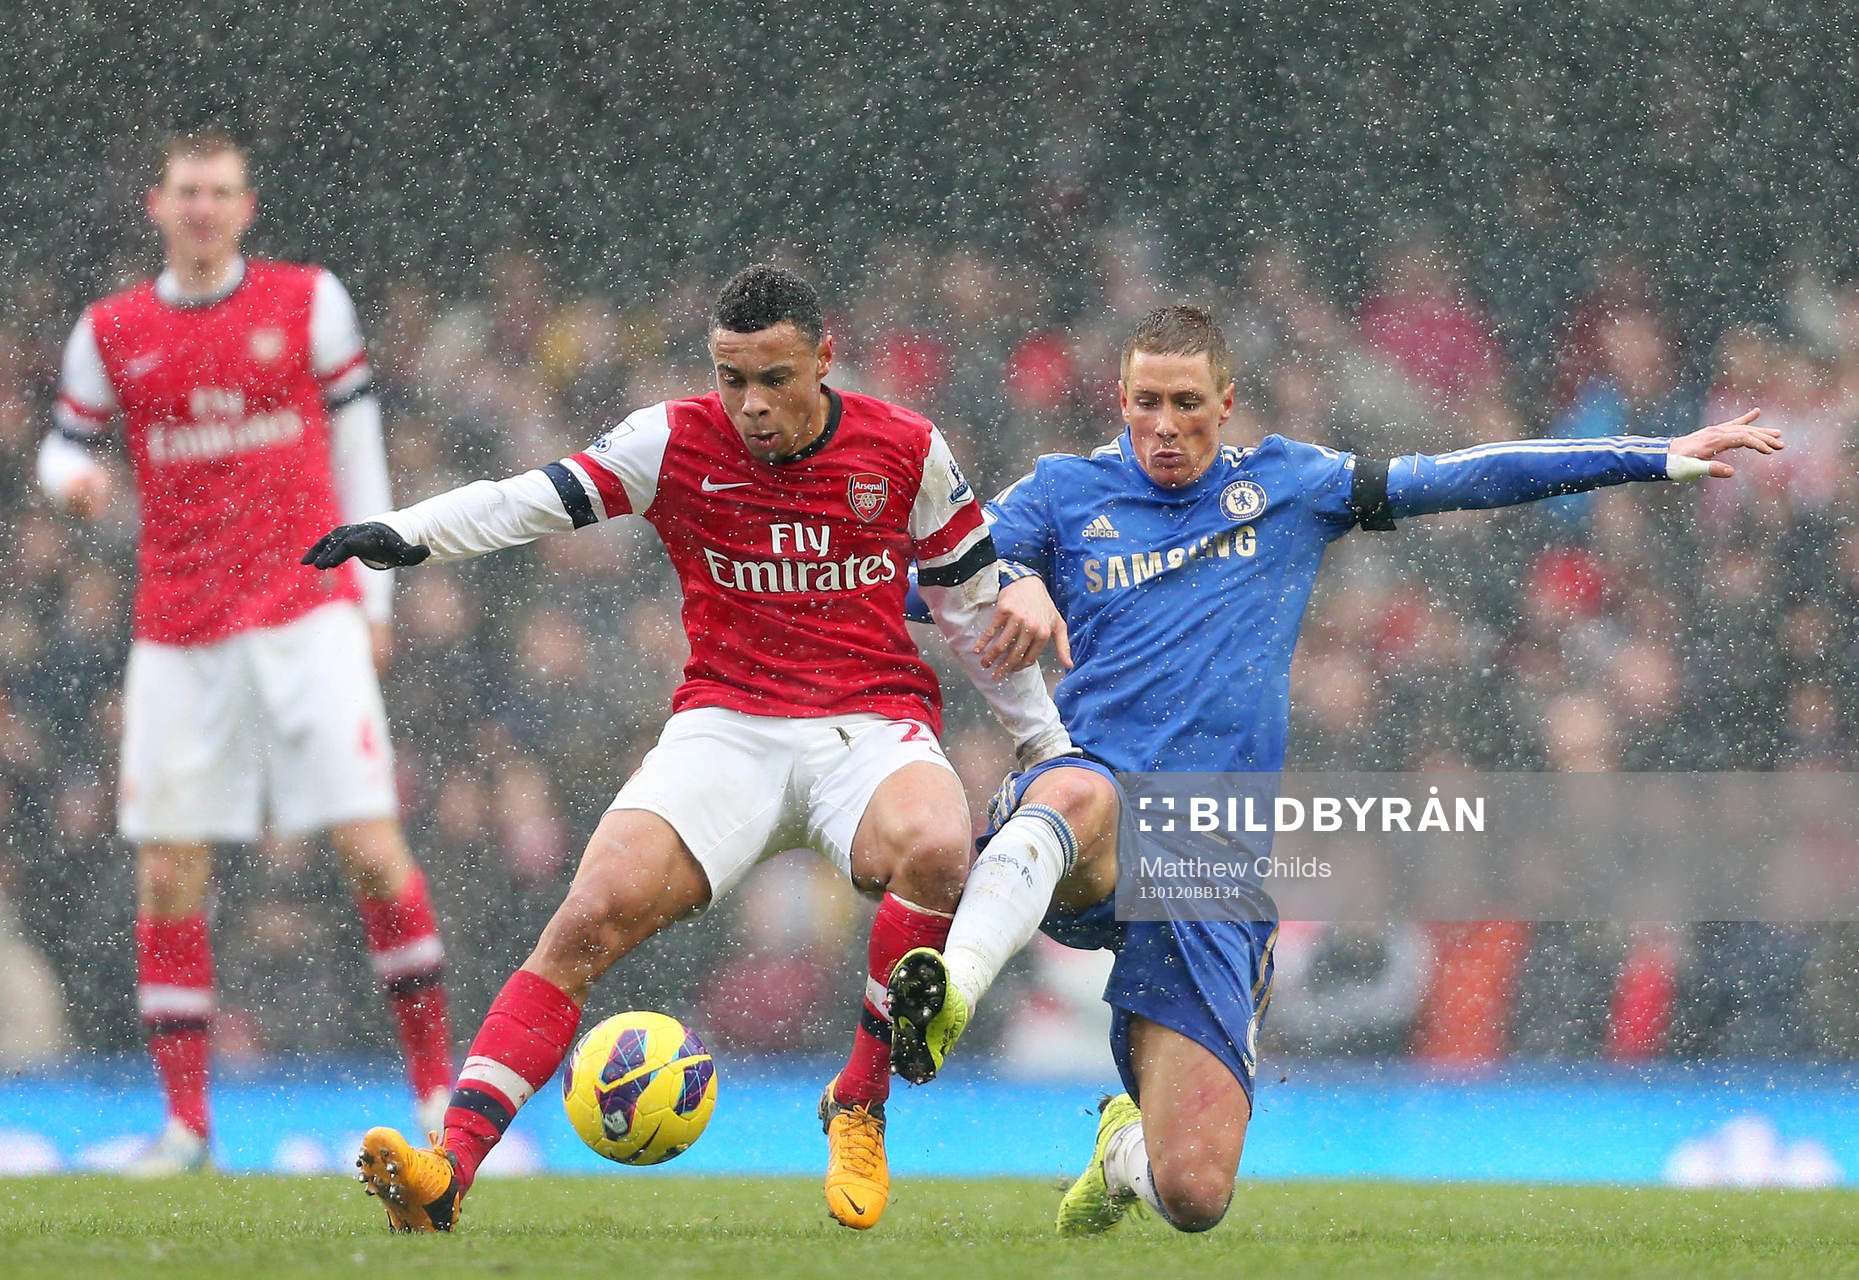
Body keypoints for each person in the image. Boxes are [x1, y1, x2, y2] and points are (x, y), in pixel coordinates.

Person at [883, 305, 1781, 1234]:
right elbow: (918, 582)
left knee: (1194, 1196)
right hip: (1089, 824)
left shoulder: (1286, 486)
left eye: (1186, 403)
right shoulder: (1062, 495)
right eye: (1145, 401)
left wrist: (1651, 453)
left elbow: (1461, 477)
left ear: (1224, 403)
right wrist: (1006, 577)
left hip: (1206, 865)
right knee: (1076, 785)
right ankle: (951, 990)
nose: (1163, 424)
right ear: (1119, 399)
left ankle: (1123, 1148)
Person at [304, 263, 1073, 1232]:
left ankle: (859, 1102)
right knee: (587, 918)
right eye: (730, 377)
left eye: (774, 378)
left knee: (933, 842)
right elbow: (523, 499)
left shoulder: (906, 448)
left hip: (867, 727)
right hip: (726, 729)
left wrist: (1041, 741)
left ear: (825, 359)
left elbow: (973, 616)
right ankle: (447, 1170)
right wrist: (404, 534)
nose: (749, 404)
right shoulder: (667, 439)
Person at [35, 128, 456, 1176]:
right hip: (179, 635)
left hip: (308, 611)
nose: (204, 207)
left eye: (220, 190)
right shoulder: (111, 329)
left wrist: (376, 587)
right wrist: (68, 484)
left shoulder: (309, 302)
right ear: (157, 204)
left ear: (246, 205)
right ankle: (187, 1127)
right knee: (171, 872)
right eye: (187, 190)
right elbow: (64, 442)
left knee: (370, 848)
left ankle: (442, 1100)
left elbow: (358, 443)